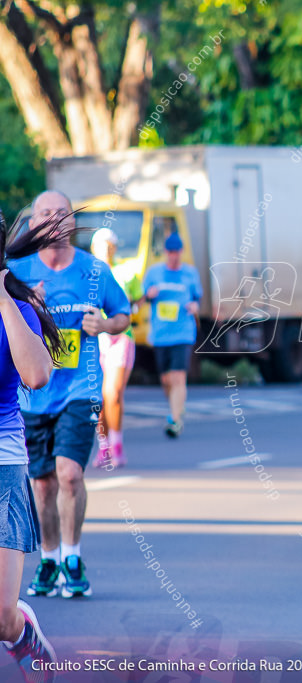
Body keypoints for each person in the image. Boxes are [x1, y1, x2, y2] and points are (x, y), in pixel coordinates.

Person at [10, 191, 131, 600]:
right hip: (32, 395)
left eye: (61, 213)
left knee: (70, 474)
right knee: (42, 485)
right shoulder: (15, 271)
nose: (53, 220)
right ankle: (48, 558)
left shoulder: (93, 270)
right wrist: (28, 305)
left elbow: (123, 314)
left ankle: (73, 556)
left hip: (81, 388)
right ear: (31, 225)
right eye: (45, 213)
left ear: (72, 222)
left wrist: (106, 325)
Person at [0, 207, 62, 678]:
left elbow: (37, 375)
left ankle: (21, 633)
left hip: (4, 460)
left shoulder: (16, 309)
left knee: (2, 617)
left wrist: (3, 299)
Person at [90, 228, 141, 468]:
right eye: (101, 245)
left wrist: (134, 309)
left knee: (113, 393)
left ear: (115, 247)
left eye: (110, 245)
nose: (106, 249)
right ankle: (104, 448)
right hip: (95, 340)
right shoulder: (88, 273)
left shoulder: (126, 273)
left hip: (121, 337)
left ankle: (117, 444)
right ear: (94, 248)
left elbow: (137, 301)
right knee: (99, 397)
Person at [143, 233, 202, 438]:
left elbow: (197, 299)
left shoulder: (190, 274)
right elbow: (141, 298)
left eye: (177, 252)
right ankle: (176, 406)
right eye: (170, 252)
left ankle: (175, 419)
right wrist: (149, 295)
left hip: (183, 332)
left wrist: (195, 306)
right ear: (165, 253)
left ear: (181, 252)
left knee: (178, 376)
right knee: (166, 379)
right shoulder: (154, 273)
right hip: (161, 334)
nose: (173, 256)